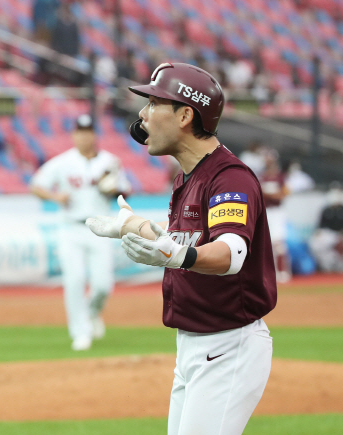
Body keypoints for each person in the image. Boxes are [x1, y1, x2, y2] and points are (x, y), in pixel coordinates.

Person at [87, 63, 277, 435]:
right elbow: (181, 243)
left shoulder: (229, 178)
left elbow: (230, 254)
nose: (142, 114)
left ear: (185, 115)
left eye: (154, 103)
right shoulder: (188, 177)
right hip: (194, 346)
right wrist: (136, 226)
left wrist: (175, 255)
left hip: (227, 347)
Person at [30, 114, 131, 351]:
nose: (84, 136)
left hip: (101, 228)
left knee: (103, 285)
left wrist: (113, 189)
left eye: (89, 132)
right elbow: (36, 185)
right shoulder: (62, 162)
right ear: (74, 135)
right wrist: (56, 197)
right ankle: (80, 332)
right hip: (71, 227)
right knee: (74, 280)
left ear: (95, 135)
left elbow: (125, 190)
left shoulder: (111, 162)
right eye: (80, 132)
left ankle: (91, 313)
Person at [309, 183, 343, 273]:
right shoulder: (326, 210)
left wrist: (342, 236)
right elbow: (321, 226)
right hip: (330, 235)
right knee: (316, 243)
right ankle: (325, 266)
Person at [260, 151, 291, 282]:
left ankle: (283, 271)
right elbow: (260, 194)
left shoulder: (281, 177)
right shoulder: (262, 177)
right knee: (267, 243)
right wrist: (271, 195)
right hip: (267, 211)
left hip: (278, 211)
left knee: (279, 244)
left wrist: (270, 194)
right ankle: (272, 272)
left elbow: (284, 193)